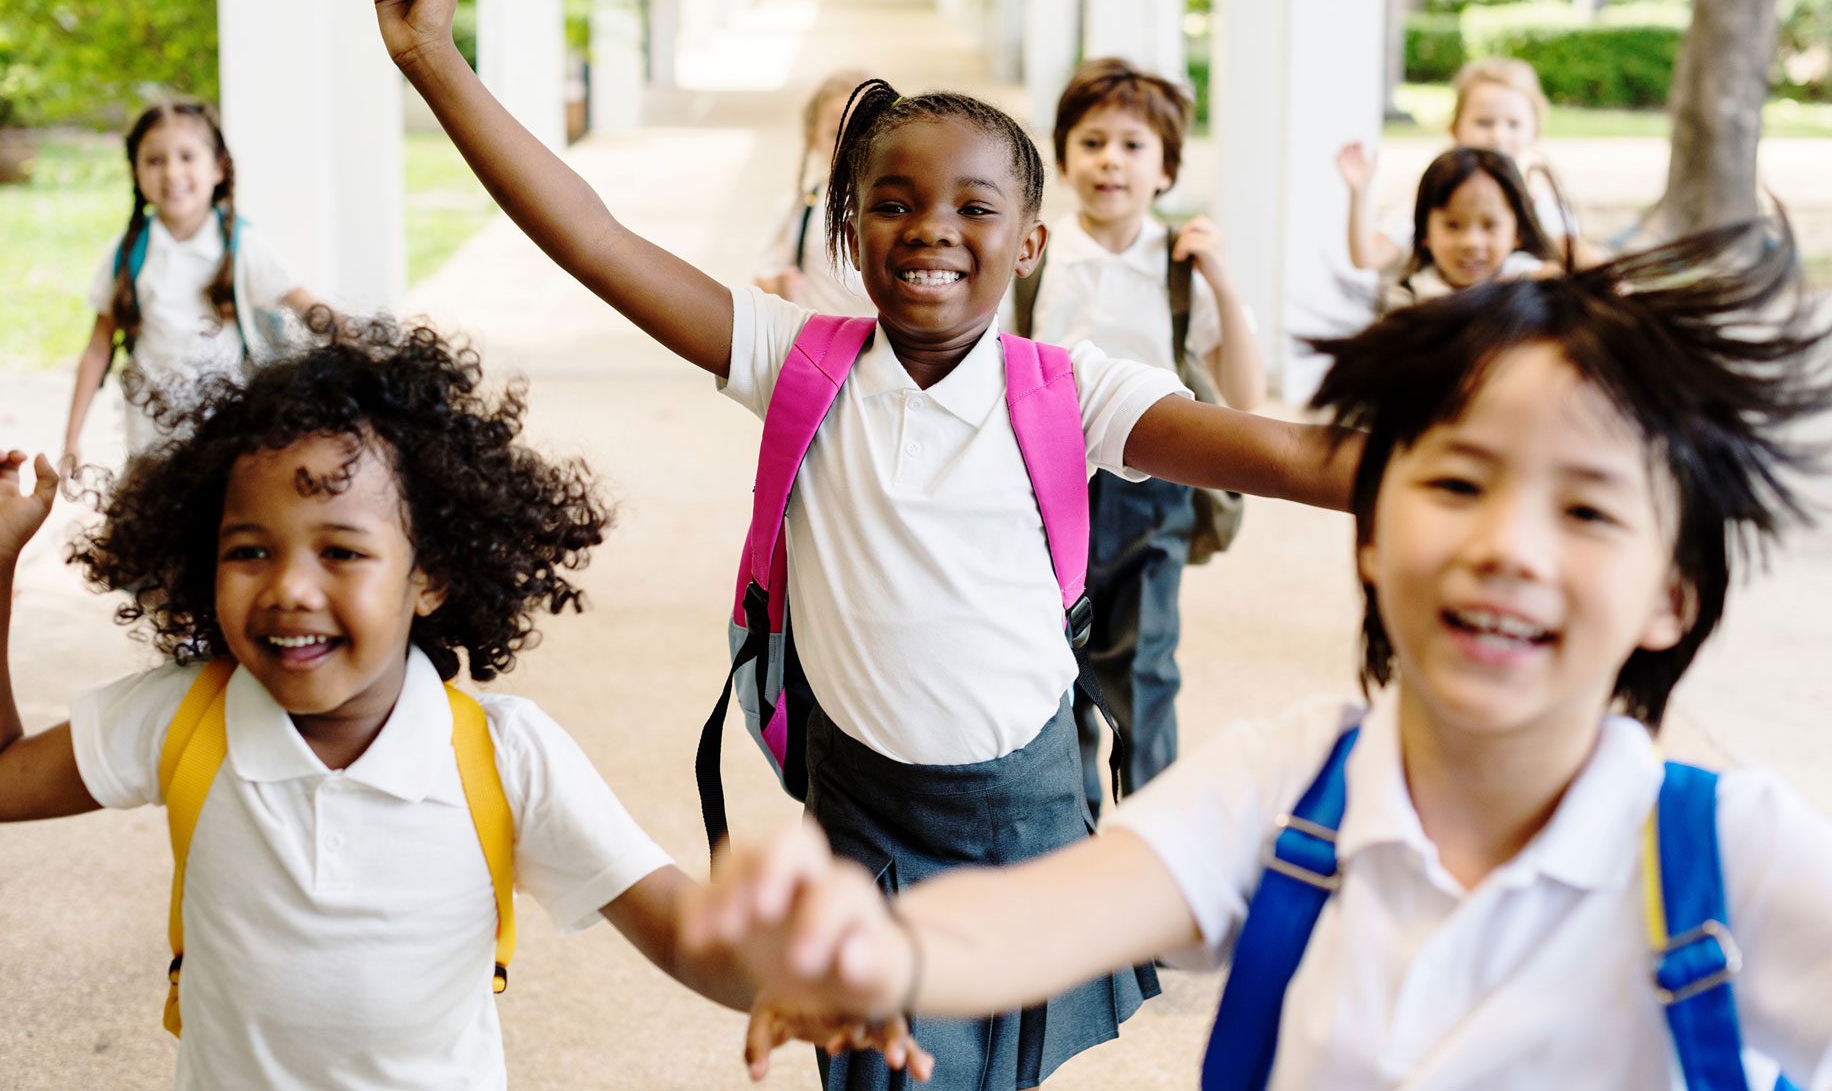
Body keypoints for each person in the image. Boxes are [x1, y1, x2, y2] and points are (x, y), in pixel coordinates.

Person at [366, 0, 1354, 1087]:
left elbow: (1287, 453)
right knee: (881, 1067)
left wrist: (1503, 468)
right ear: (850, 231)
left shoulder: (1070, 387)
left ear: (1029, 243)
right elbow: (593, 239)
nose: (931, 226)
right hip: (865, 816)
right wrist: (435, 58)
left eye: (973, 206)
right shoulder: (796, 360)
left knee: (993, 1068)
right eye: (894, 202)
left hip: (1025, 810)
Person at [687, 216, 1832, 1089]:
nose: (1508, 548)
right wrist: (875, 949)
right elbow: (1036, 915)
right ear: (1372, 529)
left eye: (1586, 511)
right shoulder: (1291, 788)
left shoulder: (1738, 860)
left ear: (1672, 594)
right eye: (1458, 483)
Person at [0, 313, 924, 1088]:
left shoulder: (502, 756)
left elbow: (674, 925)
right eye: (249, 550)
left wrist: (790, 983)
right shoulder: (185, 719)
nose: (289, 587)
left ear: (432, 573)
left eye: (343, 551)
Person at [1025, 57, 1265, 815]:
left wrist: (1222, 281)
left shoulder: (1179, 266)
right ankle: (1071, 834)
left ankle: (1156, 841)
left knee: (1144, 668)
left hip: (1154, 494)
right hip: (1047, 488)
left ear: (1166, 169)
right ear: (1063, 158)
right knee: (1051, 667)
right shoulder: (1031, 256)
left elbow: (1246, 396)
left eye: (1133, 146)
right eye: (1092, 142)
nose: (1110, 161)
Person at [62, 100, 318, 464]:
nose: (171, 172)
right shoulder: (129, 253)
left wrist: (366, 344)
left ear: (218, 168)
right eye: (154, 160)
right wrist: (72, 439)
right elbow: (98, 347)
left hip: (227, 434)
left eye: (186, 157)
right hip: (150, 439)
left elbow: (307, 306)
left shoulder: (243, 247)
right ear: (135, 173)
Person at [1339, 56, 1570, 273]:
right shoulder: (1436, 197)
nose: (1498, 135)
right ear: (1454, 128)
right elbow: (1368, 257)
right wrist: (1358, 192)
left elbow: (1575, 253)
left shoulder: (1541, 205)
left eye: (1513, 124)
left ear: (1535, 132)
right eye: (1484, 122)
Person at [754, 68, 877, 316]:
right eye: (835, 133)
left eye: (863, 129)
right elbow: (762, 278)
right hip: (822, 346)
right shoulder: (798, 209)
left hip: (885, 345)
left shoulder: (902, 205)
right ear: (813, 139)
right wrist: (779, 285)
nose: (851, 142)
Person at [1383, 146, 1557, 310]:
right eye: (1453, 225)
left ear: (1518, 232)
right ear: (1424, 232)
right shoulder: (1410, 297)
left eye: (1490, 225)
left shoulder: (1527, 278)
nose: (1471, 242)